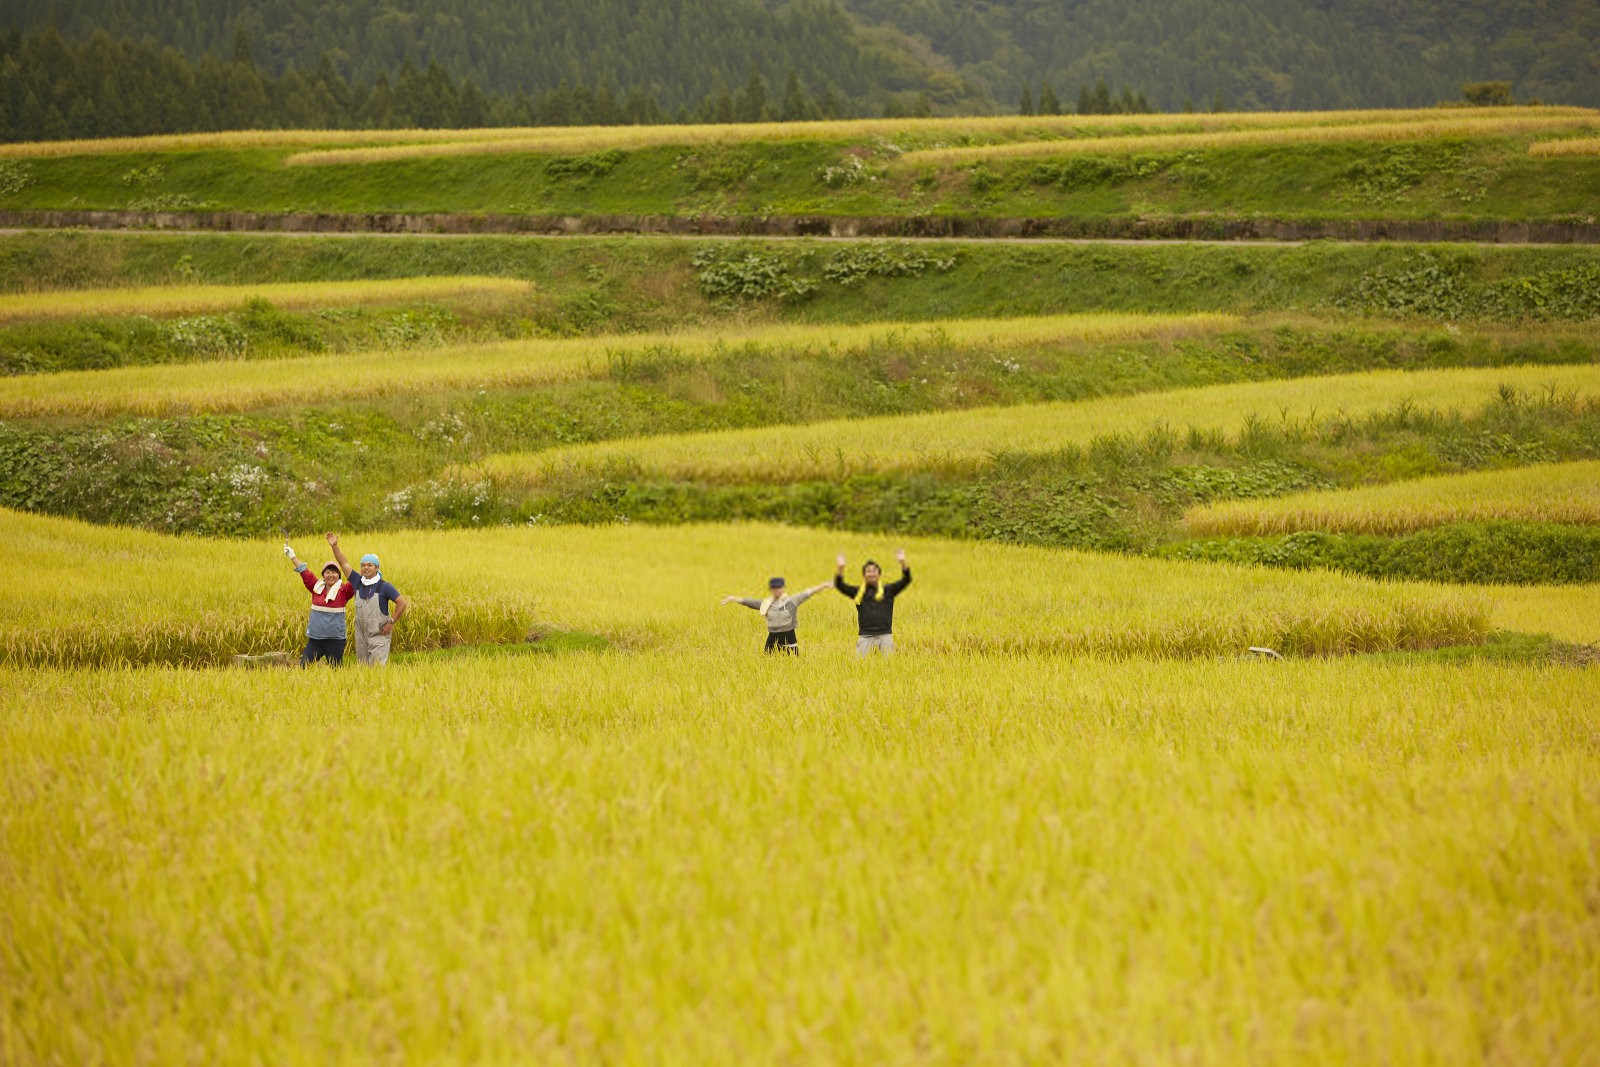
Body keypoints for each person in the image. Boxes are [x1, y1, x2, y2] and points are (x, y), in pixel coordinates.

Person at [328, 536, 409, 666]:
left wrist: (391, 622)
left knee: (377, 669)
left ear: (377, 568)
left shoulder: (384, 586)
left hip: (379, 635)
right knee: (364, 670)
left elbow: (402, 603)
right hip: (361, 636)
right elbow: (344, 564)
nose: (366, 568)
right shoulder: (358, 582)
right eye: (363, 565)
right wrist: (334, 546)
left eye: (370, 565)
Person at [284, 532, 354, 666]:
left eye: (334, 572)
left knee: (336, 672)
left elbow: (353, 577)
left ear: (339, 576)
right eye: (328, 572)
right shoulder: (316, 587)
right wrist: (292, 556)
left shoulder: (344, 591)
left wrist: (335, 547)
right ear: (323, 575)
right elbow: (304, 571)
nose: (331, 575)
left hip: (335, 641)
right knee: (304, 666)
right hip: (315, 640)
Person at [721, 576, 831, 654]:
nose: (777, 590)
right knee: (768, 662)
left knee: (792, 663)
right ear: (771, 589)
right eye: (774, 588)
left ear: (783, 588)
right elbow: (750, 602)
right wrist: (733, 599)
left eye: (779, 588)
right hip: (772, 636)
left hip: (789, 636)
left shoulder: (791, 601)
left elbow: (808, 592)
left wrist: (824, 585)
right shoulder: (766, 603)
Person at [834, 548, 911, 656]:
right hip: (865, 637)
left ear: (879, 574)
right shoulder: (858, 592)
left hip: (885, 636)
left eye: (874, 571)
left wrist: (902, 562)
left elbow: (906, 580)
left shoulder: (888, 590)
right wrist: (840, 568)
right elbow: (840, 585)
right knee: (860, 667)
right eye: (868, 571)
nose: (871, 574)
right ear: (864, 575)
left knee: (889, 667)